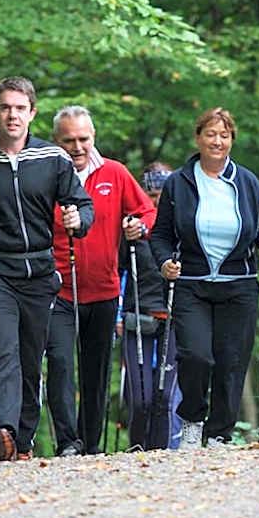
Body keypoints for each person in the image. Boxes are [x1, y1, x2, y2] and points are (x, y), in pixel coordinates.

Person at [0, 76, 94, 461]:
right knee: (2, 350)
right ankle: (4, 430)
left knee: (30, 358)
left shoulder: (52, 159)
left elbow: (81, 202)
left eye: (20, 108)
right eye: (6, 107)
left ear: (32, 113)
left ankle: (21, 441)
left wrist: (80, 221)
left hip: (40, 271)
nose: (13, 115)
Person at [150, 108, 259, 449]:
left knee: (231, 362)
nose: (217, 141)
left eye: (224, 135)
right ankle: (192, 421)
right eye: (210, 134)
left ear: (232, 141)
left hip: (239, 285)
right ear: (198, 138)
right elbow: (160, 234)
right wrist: (164, 262)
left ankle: (220, 434)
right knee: (196, 356)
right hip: (191, 282)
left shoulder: (247, 181)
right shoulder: (179, 182)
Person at [45, 106, 156, 456]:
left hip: (104, 289)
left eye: (83, 139)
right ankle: (67, 442)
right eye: (68, 141)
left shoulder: (115, 173)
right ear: (55, 141)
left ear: (93, 138)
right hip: (58, 290)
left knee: (95, 372)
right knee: (61, 364)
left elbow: (147, 211)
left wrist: (139, 227)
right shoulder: (44, 175)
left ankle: (91, 444)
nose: (77, 147)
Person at [117, 161, 180, 451]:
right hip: (136, 320)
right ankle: (137, 452)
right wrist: (116, 315)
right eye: (150, 194)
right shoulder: (130, 232)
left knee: (164, 399)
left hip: (173, 320)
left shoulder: (182, 230)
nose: (156, 201)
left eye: (161, 194)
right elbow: (116, 273)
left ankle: (161, 457)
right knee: (140, 398)